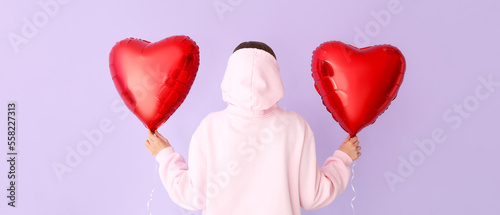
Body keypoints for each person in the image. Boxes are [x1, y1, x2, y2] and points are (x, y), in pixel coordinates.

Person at [145, 41, 361, 215]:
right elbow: (313, 196)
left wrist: (165, 156)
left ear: (230, 75)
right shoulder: (295, 126)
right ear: (274, 76)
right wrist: (342, 159)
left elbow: (192, 196)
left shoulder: (211, 126)